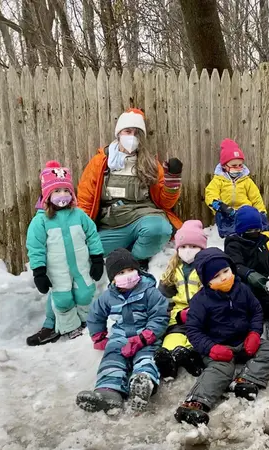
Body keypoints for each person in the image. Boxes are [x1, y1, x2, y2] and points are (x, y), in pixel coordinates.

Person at [174, 248, 269, 426]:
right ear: (206, 281)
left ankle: (245, 381)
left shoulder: (242, 289)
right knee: (220, 370)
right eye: (216, 276)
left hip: (244, 341)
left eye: (225, 271)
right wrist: (211, 348)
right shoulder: (200, 301)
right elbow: (193, 330)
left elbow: (256, 311)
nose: (223, 277)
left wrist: (254, 333)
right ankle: (194, 403)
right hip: (218, 348)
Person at [77, 108, 183, 269]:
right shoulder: (100, 163)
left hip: (144, 220)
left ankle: (137, 259)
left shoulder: (150, 164)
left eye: (137, 133)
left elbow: (165, 203)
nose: (132, 137)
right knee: (86, 252)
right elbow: (85, 200)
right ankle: (127, 247)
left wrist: (172, 182)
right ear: (119, 134)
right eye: (128, 131)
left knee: (159, 229)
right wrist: (81, 232)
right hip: (111, 225)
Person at [76, 248, 168, 413]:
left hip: (145, 336)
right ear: (113, 279)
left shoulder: (150, 292)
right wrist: (98, 336)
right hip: (120, 336)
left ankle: (142, 383)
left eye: (131, 270)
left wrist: (145, 337)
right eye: (121, 272)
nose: (128, 275)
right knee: (112, 359)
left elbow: (160, 316)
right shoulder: (108, 296)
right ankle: (108, 393)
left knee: (147, 358)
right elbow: (95, 314)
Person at [26, 161, 104, 346]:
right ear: (47, 195)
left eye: (66, 191)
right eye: (57, 191)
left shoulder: (79, 215)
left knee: (86, 293)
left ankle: (86, 321)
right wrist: (39, 272)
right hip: (57, 270)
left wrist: (97, 258)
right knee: (62, 299)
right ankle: (69, 326)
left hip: (81, 267)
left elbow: (92, 235)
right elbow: (35, 247)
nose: (63, 195)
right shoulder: (41, 221)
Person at [204, 138, 269, 252]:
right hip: (228, 213)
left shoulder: (246, 181)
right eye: (234, 165)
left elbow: (256, 197)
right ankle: (236, 242)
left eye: (240, 165)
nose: (238, 168)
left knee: (259, 218)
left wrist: (261, 211)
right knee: (229, 224)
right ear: (225, 166)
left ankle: (266, 242)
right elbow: (210, 194)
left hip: (245, 211)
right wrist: (220, 206)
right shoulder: (218, 181)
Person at [154, 220, 208, 380]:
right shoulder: (172, 270)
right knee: (172, 340)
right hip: (178, 316)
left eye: (193, 247)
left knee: (196, 339)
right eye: (183, 247)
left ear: (202, 248)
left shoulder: (207, 268)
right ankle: (168, 363)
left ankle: (190, 357)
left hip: (201, 316)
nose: (187, 251)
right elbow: (162, 299)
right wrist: (169, 317)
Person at [224, 206, 269, 324]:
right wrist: (249, 274)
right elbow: (235, 265)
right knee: (256, 306)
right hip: (244, 283)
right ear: (241, 230)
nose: (255, 233)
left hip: (262, 282)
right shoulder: (234, 245)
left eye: (257, 229)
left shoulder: (261, 242)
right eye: (250, 231)